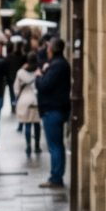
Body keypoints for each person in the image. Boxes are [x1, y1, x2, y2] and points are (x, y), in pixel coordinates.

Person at [36, 37, 70, 189]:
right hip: (56, 108)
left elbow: (44, 86)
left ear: (51, 50)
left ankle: (56, 177)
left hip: (53, 109)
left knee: (55, 146)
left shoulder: (56, 65)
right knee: (57, 145)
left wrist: (38, 77)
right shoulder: (59, 64)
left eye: (48, 48)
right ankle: (56, 176)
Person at [14, 53, 42, 157]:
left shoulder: (20, 72)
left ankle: (28, 145)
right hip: (36, 100)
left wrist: (17, 96)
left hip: (24, 101)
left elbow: (16, 89)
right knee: (37, 124)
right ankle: (37, 146)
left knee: (27, 124)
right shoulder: (39, 71)